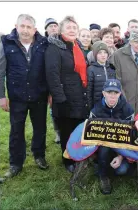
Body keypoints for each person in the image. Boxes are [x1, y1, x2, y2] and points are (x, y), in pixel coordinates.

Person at [0, 14, 49, 178]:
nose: (26, 30)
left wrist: (50, 94)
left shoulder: (43, 43)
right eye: (23, 26)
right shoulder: (6, 43)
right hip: (17, 96)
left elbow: (48, 71)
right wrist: (1, 95)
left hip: (39, 95)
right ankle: (15, 163)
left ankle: (39, 155)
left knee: (40, 128)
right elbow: (0, 71)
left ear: (34, 30)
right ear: (16, 26)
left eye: (29, 27)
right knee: (16, 130)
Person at [45, 16, 90, 173]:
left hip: (79, 96)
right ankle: (67, 159)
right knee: (67, 131)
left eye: (74, 28)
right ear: (61, 30)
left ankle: (79, 156)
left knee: (78, 129)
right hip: (64, 98)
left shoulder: (76, 46)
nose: (72, 30)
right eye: (68, 27)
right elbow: (52, 75)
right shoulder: (55, 48)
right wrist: (60, 99)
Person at [89, 78, 134, 195]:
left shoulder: (128, 110)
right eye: (109, 93)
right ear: (103, 93)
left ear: (120, 93)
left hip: (120, 147)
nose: (112, 96)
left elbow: (130, 137)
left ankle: (106, 166)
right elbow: (90, 135)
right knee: (104, 149)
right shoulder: (96, 110)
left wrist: (120, 157)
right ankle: (103, 176)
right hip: (102, 147)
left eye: (116, 93)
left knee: (122, 170)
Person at [112, 30, 138, 115]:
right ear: (130, 42)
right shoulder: (118, 55)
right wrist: (123, 100)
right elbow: (116, 80)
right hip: (124, 101)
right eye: (136, 42)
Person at [44, 17, 60, 144]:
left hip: (63, 80)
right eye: (51, 26)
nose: (54, 28)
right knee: (52, 109)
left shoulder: (62, 42)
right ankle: (57, 132)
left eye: (55, 25)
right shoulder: (43, 44)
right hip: (48, 81)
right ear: (46, 29)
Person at [87, 41, 116, 110]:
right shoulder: (91, 69)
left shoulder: (112, 68)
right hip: (97, 105)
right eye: (99, 53)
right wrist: (90, 108)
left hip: (111, 104)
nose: (103, 55)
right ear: (95, 55)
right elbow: (89, 91)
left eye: (105, 52)